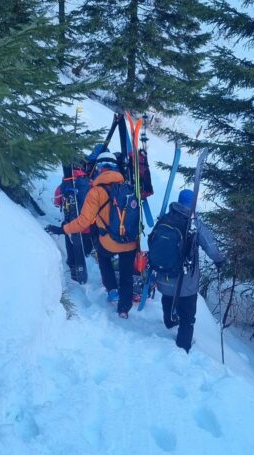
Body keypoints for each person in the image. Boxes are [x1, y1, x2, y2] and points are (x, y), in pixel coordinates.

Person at [48, 151, 139, 318]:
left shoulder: (95, 192)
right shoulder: (128, 188)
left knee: (103, 257)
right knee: (126, 275)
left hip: (109, 241)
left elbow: (84, 221)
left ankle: (112, 290)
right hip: (130, 242)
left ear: (99, 168)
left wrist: (63, 229)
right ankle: (124, 309)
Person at [155, 189, 225, 353]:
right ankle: (183, 347)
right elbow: (211, 247)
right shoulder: (194, 225)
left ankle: (169, 322)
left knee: (168, 298)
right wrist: (220, 260)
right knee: (187, 316)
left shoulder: (165, 218)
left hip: (164, 277)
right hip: (185, 283)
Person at [47, 165, 92, 283]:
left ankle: (73, 271)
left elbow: (57, 202)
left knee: (72, 248)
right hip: (87, 226)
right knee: (85, 249)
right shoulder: (89, 183)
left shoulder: (63, 185)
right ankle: (87, 257)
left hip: (70, 226)